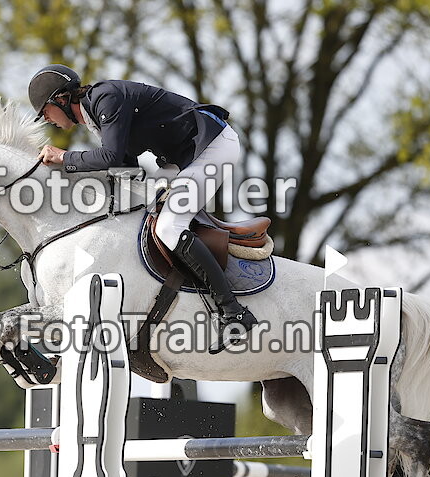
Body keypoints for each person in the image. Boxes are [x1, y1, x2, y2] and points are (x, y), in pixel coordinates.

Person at [28, 64, 258, 344]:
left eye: (44, 112)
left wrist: (65, 158)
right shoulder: (95, 113)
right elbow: (127, 169)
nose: (46, 120)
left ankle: (233, 312)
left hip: (212, 147)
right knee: (146, 214)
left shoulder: (106, 98)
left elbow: (111, 157)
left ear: (61, 99)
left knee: (169, 226)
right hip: (181, 157)